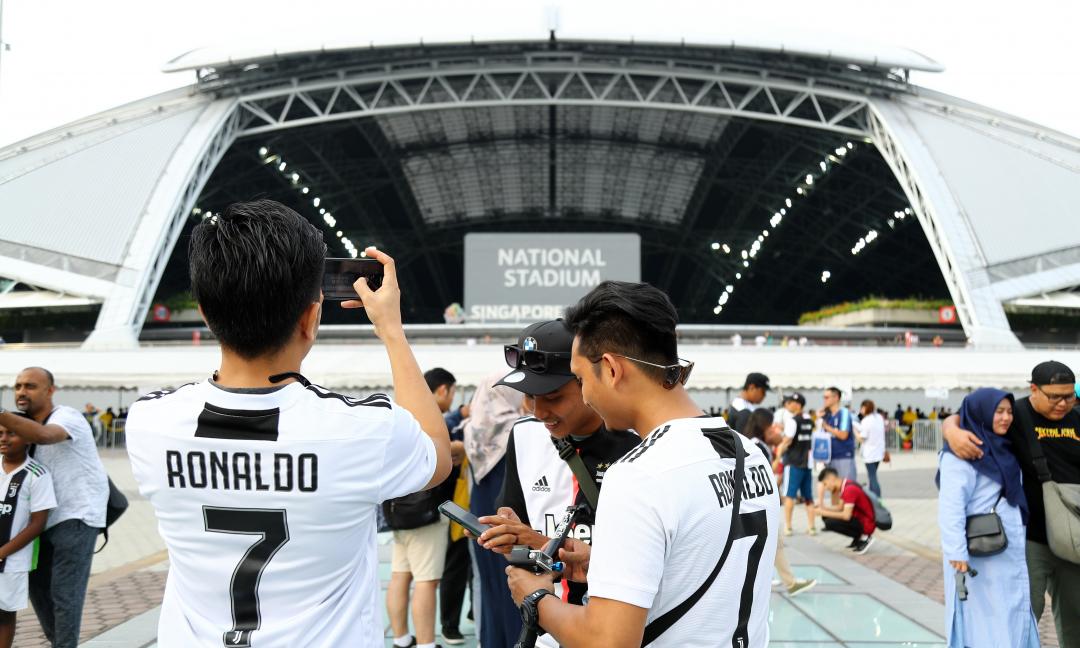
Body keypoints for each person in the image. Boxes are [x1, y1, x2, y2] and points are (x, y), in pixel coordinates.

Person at [125, 200, 452, 647]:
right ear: (310, 318)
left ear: (205, 312)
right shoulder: (362, 431)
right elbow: (437, 453)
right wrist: (390, 329)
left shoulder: (149, 422)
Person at [505, 281, 780, 647]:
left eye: (582, 378)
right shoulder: (748, 452)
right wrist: (602, 562)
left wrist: (536, 598)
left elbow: (608, 642)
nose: (585, 394)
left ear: (612, 369)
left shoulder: (640, 475)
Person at [476, 319, 641, 631]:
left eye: (552, 396)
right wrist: (507, 530)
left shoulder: (640, 443)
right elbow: (517, 524)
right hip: (547, 628)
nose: (538, 411)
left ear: (590, 379)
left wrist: (538, 540)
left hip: (617, 631)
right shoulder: (524, 435)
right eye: (528, 396)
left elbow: (642, 566)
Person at [943, 360, 1080, 646]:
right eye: (1055, 396)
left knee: (1074, 618)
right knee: (1023, 613)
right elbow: (967, 415)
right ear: (1034, 389)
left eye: (1069, 396)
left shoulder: (1078, 416)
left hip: (1073, 535)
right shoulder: (1015, 414)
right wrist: (950, 431)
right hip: (1031, 539)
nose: (1063, 403)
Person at [0, 367, 108, 648]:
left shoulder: (66, 416)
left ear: (50, 391)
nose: (22, 391)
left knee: (64, 593)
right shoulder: (21, 424)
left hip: (76, 516)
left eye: (31, 386)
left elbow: (46, 436)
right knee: (38, 590)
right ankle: (58, 643)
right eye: (18, 386)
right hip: (41, 520)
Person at [937, 388, 1039, 647]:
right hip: (976, 556)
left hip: (1007, 550)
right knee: (982, 620)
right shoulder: (961, 453)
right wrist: (956, 553)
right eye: (998, 411)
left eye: (1008, 412)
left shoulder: (1004, 446)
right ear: (981, 413)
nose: (1005, 418)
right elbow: (951, 508)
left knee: (1009, 612)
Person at [385, 368, 464, 648]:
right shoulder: (431, 421)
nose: (452, 399)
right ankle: (427, 644)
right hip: (425, 514)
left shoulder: (398, 417)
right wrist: (455, 447)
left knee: (398, 576)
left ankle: (401, 638)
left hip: (397, 512)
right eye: (452, 392)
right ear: (442, 390)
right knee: (427, 581)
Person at [461, 373, 524, 648]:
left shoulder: (472, 428)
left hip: (481, 513)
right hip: (509, 516)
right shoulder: (518, 430)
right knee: (516, 586)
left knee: (489, 586)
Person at [743, 409, 816, 598]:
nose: (777, 430)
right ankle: (788, 582)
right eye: (773, 426)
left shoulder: (755, 444)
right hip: (755, 505)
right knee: (771, 543)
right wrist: (780, 454)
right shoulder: (757, 446)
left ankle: (787, 581)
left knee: (773, 544)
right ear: (764, 429)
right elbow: (762, 475)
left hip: (754, 505)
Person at [0, 421, 56, 648]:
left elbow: (38, 523)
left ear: (28, 438)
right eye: (0, 433)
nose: (4, 438)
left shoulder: (37, 474)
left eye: (11, 433)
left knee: (4, 612)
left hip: (12, 561)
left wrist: (2, 552)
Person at [426, 368, 471, 646]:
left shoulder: (407, 411)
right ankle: (448, 626)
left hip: (409, 511)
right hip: (441, 507)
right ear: (443, 390)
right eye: (452, 393)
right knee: (444, 570)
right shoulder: (438, 419)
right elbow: (444, 429)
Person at [777, 393, 816, 536]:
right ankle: (812, 527)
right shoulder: (809, 420)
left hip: (793, 462)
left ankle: (788, 526)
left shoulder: (793, 421)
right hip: (807, 463)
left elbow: (787, 441)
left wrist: (778, 455)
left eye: (791, 402)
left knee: (789, 496)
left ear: (798, 404)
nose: (788, 405)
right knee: (808, 497)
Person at [815, 467, 875, 554]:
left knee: (830, 522)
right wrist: (823, 508)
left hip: (867, 524)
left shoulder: (849, 489)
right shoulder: (846, 484)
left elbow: (846, 516)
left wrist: (823, 512)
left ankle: (864, 536)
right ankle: (858, 537)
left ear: (831, 478)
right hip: (861, 519)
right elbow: (840, 508)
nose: (825, 488)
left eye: (825, 484)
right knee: (826, 517)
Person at [821, 387, 856, 481]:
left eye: (826, 397)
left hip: (843, 456)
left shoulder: (843, 413)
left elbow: (843, 435)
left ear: (836, 397)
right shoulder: (827, 415)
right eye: (823, 397)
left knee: (846, 487)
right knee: (834, 490)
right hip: (830, 456)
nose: (824, 400)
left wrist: (827, 427)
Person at [854, 399, 887, 498]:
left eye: (861, 408)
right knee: (872, 475)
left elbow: (862, 438)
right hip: (879, 451)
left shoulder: (866, 420)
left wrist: (854, 431)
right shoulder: (879, 418)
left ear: (864, 408)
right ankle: (873, 498)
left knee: (872, 477)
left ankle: (877, 499)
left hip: (869, 453)